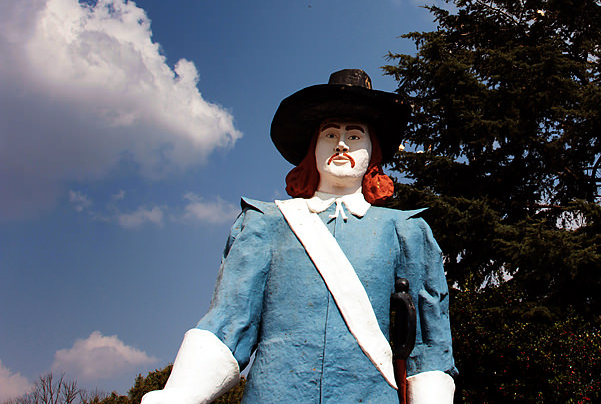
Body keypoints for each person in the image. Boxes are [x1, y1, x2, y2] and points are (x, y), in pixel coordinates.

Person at [142, 69, 456, 404]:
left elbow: (430, 342)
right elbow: (230, 321)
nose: (340, 144)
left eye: (354, 136)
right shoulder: (265, 223)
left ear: (372, 153)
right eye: (329, 134)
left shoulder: (405, 229)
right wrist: (180, 395)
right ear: (313, 149)